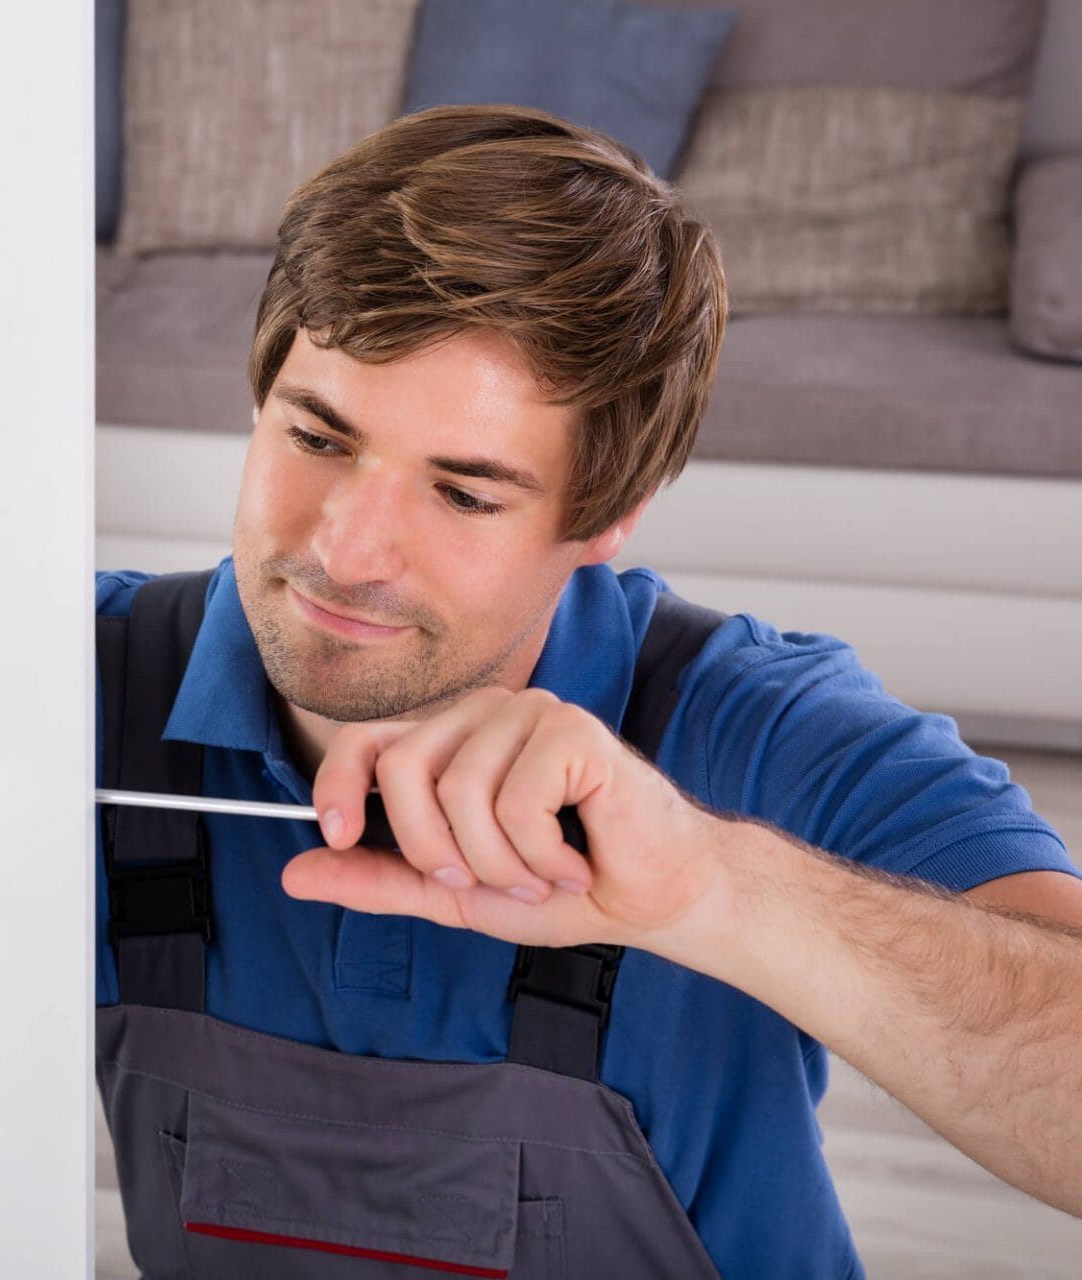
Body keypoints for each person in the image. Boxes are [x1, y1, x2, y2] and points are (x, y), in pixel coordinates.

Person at [95, 104, 1082, 1280]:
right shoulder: (85, 682)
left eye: (465, 494)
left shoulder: (761, 726)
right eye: (317, 435)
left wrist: (718, 886)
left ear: (606, 517)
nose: (350, 549)